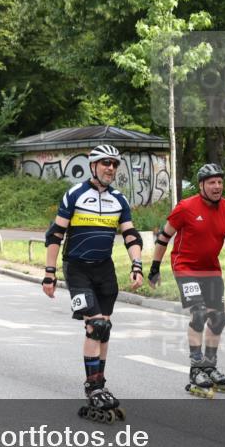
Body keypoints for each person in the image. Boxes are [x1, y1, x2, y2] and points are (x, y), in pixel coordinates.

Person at [42, 144, 144, 422]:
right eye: (105, 163)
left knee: (105, 328)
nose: (110, 168)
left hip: (104, 270)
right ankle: (93, 386)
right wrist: (49, 272)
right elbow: (55, 235)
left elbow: (131, 235)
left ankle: (100, 380)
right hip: (76, 269)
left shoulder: (119, 199)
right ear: (93, 166)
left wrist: (137, 264)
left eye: (114, 164)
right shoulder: (75, 194)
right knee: (95, 325)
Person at [148, 163, 225, 397]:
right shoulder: (185, 207)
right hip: (185, 267)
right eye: (212, 182)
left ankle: (210, 366)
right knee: (199, 313)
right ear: (201, 185)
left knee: (218, 319)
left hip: (211, 270)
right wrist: (154, 268)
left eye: (220, 182)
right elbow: (163, 237)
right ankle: (196, 369)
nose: (217, 186)